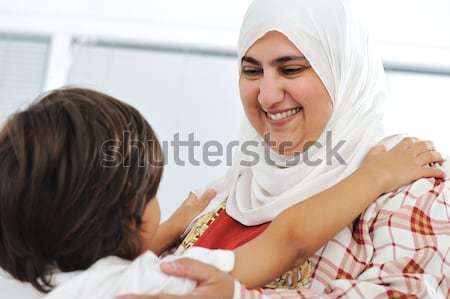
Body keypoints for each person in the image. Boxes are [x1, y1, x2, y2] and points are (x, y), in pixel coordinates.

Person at [121, 0, 450, 298]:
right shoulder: (222, 193)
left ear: (343, 72)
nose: (267, 96)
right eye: (252, 71)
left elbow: (408, 293)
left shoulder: (411, 183)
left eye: (291, 69)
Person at [0, 88, 444, 299]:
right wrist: (377, 175)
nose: (268, 93)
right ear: (125, 216)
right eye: (151, 193)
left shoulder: (47, 288)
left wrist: (172, 224)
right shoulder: (165, 279)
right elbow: (286, 241)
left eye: (290, 69)